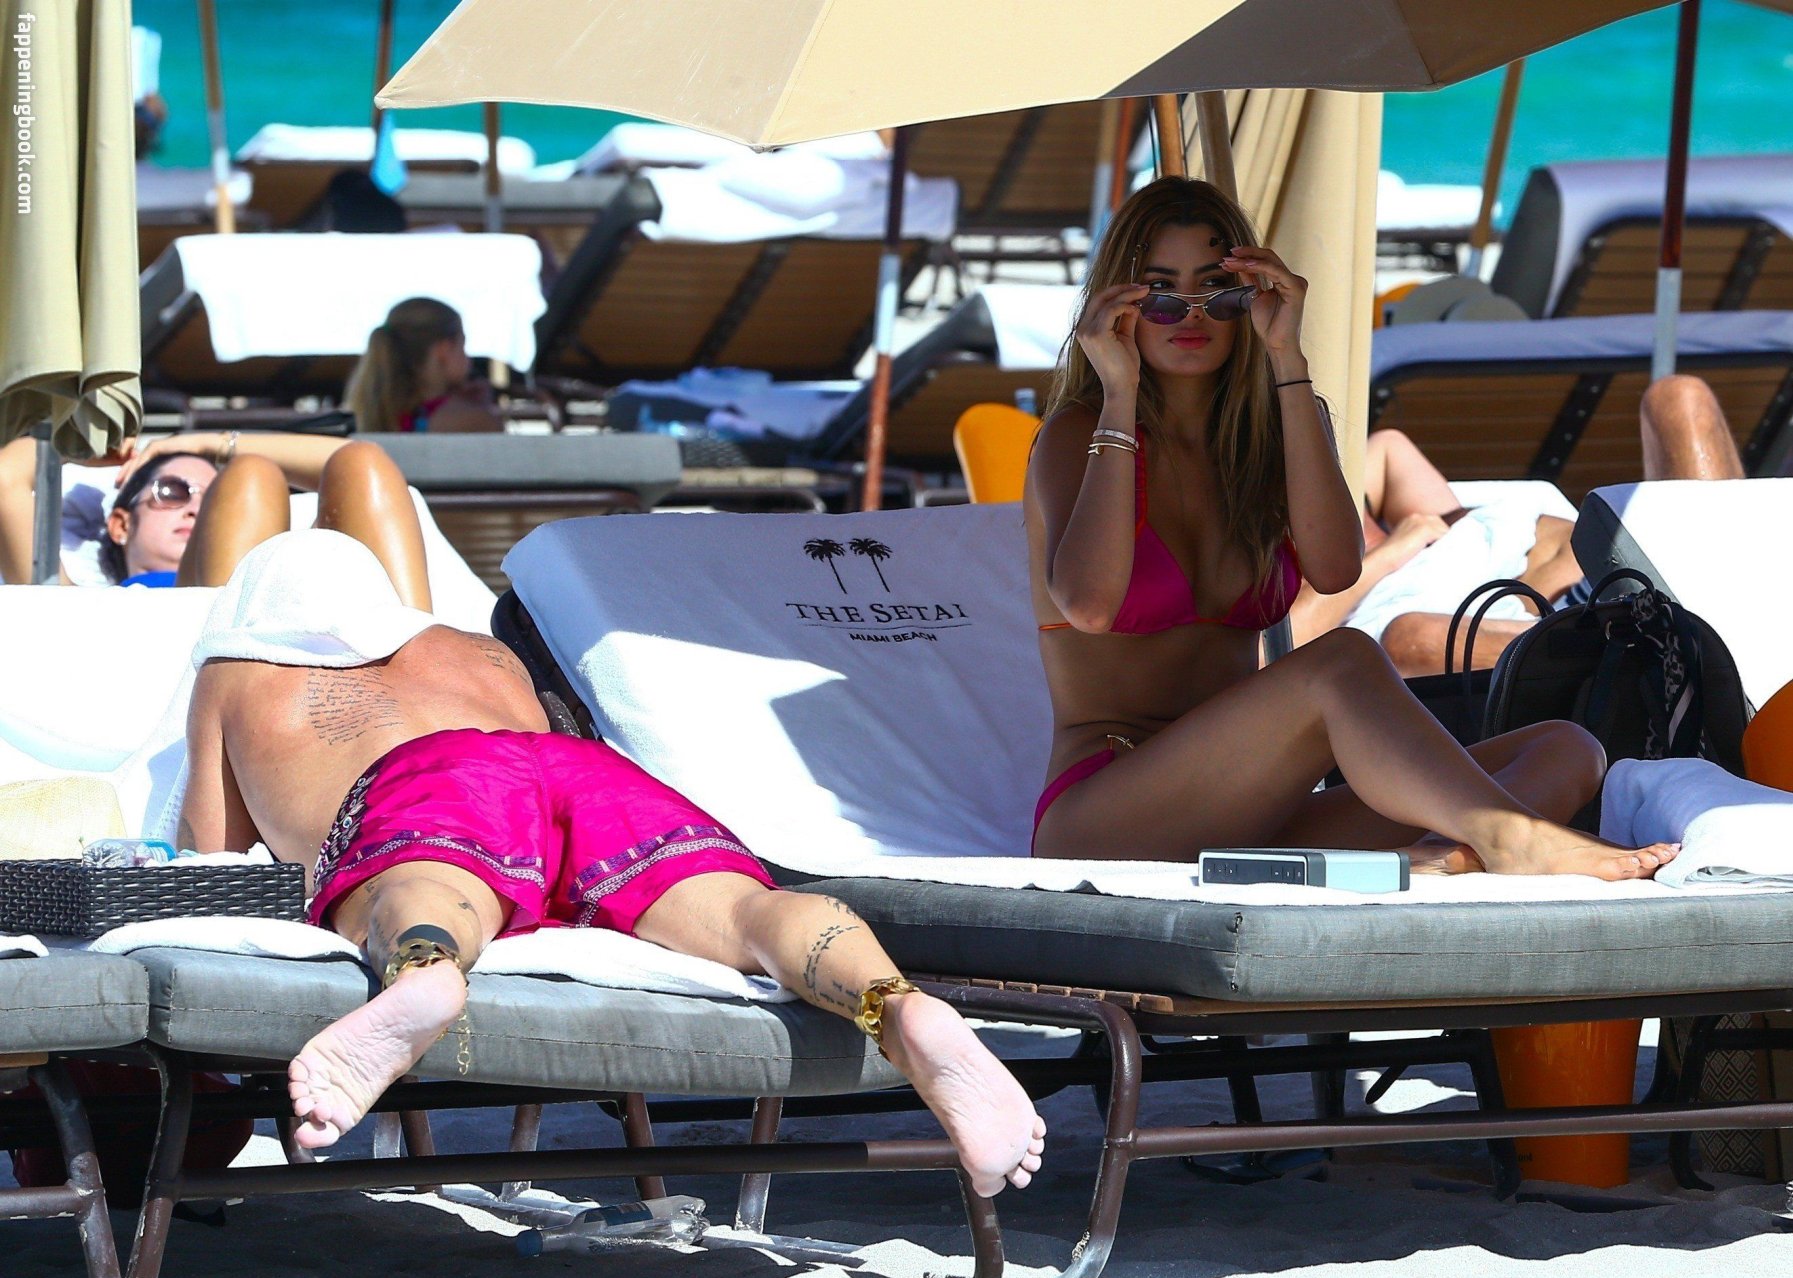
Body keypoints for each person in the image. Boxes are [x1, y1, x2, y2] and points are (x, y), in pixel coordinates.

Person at [179, 532, 1046, 1197]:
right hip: (575, 772)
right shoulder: (474, 649)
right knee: (742, 909)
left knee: (428, 884)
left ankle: (428, 970)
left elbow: (206, 859)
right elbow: (528, 799)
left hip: (431, 782)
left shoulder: (237, 667)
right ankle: (897, 1003)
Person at [1024, 176, 1677, 880]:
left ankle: (1437, 863)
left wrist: (1287, 359)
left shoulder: (1267, 434)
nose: (1190, 314)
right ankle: (1505, 836)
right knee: (1341, 660)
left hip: (1253, 803)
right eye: (1158, 292)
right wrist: (1118, 395)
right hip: (1110, 810)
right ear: (1116, 305)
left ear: (1252, 297)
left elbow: (1334, 568)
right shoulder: (1078, 434)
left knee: (1565, 749)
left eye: (1217, 290)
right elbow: (1090, 606)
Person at [1289, 375, 1749, 675]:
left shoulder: (1409, 517)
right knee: (1406, 637)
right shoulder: (1307, 576)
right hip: (1565, 632)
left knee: (1679, 398)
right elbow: (1281, 646)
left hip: (1648, 571)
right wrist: (1388, 554)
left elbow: (1388, 446)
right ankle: (1662, 654)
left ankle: (1722, 630)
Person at [0, 431, 432, 609]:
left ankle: (421, 671)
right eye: (172, 492)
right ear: (120, 525)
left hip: (296, 658)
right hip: (193, 683)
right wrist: (76, 442)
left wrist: (211, 442)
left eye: (213, 500)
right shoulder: (84, 607)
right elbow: (6, 477)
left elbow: (351, 465)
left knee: (363, 460)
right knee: (252, 475)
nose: (196, 509)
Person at [344, 298, 503, 434]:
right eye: (462, 346)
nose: (468, 359)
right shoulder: (477, 421)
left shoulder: (365, 415)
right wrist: (484, 409)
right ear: (444, 349)